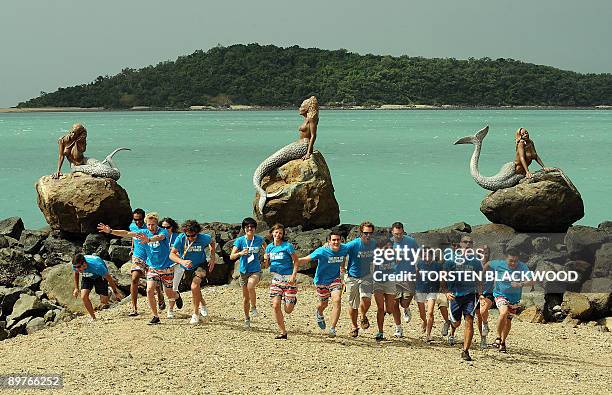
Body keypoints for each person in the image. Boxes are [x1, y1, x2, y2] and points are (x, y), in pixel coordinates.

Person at [98, 212, 183, 325]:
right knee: (149, 290)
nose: (150, 227)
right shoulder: (143, 232)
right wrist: (111, 231)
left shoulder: (163, 232)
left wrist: (148, 240)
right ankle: (155, 316)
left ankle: (176, 296)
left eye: (153, 224)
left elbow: (159, 237)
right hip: (152, 267)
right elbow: (127, 233)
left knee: (169, 293)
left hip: (166, 267)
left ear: (157, 224)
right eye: (148, 224)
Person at [298, 230, 349, 337]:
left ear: (341, 240)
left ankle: (332, 328)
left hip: (335, 279)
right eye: (333, 240)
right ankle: (319, 312)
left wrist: (342, 270)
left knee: (337, 300)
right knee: (323, 304)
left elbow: (344, 256)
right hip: (321, 281)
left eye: (338, 240)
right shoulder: (321, 251)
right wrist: (293, 260)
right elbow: (306, 259)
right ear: (329, 241)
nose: (336, 242)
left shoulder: (344, 248)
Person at [441, 235, 483, 361]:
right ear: (460, 244)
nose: (468, 244)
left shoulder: (476, 262)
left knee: (469, 320)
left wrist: (480, 295)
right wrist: (446, 292)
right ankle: (451, 324)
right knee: (456, 323)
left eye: (470, 242)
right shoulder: (451, 260)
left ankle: (465, 351)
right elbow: (442, 278)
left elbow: (479, 280)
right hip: (455, 296)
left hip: (470, 295)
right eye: (465, 242)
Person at [169, 219, 215, 325]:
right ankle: (202, 303)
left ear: (197, 233)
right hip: (187, 267)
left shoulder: (204, 238)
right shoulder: (181, 239)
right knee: (196, 289)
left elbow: (212, 242)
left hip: (201, 265)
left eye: (193, 235)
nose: (190, 238)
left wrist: (212, 258)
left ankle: (195, 314)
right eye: (188, 235)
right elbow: (172, 254)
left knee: (194, 286)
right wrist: (182, 261)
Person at [490, 248, 534, 353]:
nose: (513, 263)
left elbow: (532, 280)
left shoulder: (522, 266)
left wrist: (520, 284)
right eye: (511, 260)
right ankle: (498, 338)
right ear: (506, 258)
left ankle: (503, 342)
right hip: (500, 295)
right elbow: (487, 264)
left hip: (514, 299)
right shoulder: (498, 264)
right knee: (503, 313)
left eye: (515, 261)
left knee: (508, 320)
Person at [230, 217, 267, 328]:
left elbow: (267, 248)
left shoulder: (259, 239)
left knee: (251, 286)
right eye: (247, 227)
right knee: (245, 298)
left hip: (255, 270)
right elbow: (232, 256)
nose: (250, 228)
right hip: (243, 272)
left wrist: (266, 257)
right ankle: (247, 318)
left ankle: (254, 307)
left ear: (255, 228)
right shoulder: (240, 241)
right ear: (244, 228)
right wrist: (240, 253)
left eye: (252, 227)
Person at [127, 208, 165, 316]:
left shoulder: (150, 227)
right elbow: (133, 237)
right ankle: (134, 308)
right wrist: (132, 248)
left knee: (155, 282)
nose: (138, 222)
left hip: (151, 257)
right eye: (135, 220)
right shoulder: (132, 226)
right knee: (134, 278)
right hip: (138, 256)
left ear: (144, 219)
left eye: (139, 220)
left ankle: (160, 295)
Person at [264, 224, 299, 339]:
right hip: (276, 280)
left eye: (280, 233)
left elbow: (296, 261)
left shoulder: (287, 246)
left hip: (289, 280)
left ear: (283, 235)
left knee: (288, 310)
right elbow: (266, 265)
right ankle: (283, 332)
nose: (278, 235)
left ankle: (292, 300)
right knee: (275, 305)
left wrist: (293, 275)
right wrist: (265, 259)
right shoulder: (269, 247)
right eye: (276, 232)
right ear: (272, 233)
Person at [344, 221, 376, 337]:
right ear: (361, 232)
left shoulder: (373, 243)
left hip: (366, 275)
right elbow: (341, 251)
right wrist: (342, 267)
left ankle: (363, 316)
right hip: (352, 277)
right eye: (366, 233)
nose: (368, 235)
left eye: (370, 233)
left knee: (366, 299)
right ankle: (354, 326)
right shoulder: (353, 244)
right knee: (353, 305)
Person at [71, 253, 122, 321]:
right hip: (87, 276)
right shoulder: (76, 266)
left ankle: (108, 291)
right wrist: (76, 288)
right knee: (84, 296)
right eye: (75, 267)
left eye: (78, 267)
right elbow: (76, 274)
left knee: (104, 302)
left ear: (84, 263)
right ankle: (94, 318)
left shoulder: (97, 266)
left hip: (99, 276)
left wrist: (115, 292)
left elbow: (109, 278)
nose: (77, 269)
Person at [390, 222, 418, 326]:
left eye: (400, 233)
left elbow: (418, 254)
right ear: (392, 232)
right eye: (396, 234)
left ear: (403, 231)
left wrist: (417, 266)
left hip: (408, 276)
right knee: (394, 303)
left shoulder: (411, 241)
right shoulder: (388, 243)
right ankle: (398, 327)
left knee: (404, 302)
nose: (398, 236)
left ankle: (406, 308)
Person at [372, 238, 400, 341]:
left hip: (390, 282)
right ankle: (380, 332)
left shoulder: (395, 254)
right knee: (380, 308)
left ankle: (388, 307)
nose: (388, 249)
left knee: (389, 310)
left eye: (390, 247)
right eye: (386, 247)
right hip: (378, 282)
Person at [415, 247, 443, 342]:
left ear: (432, 256)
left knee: (430, 312)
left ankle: (428, 334)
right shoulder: (420, 263)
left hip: (432, 289)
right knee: (422, 314)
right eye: (424, 255)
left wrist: (442, 287)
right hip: (420, 289)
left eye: (428, 255)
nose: (426, 257)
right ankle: (424, 321)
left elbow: (442, 277)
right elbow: (417, 274)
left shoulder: (437, 266)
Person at [477, 245, 494, 349]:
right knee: (479, 316)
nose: (484, 255)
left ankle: (486, 323)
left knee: (483, 311)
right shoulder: (475, 265)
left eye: (486, 253)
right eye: (482, 253)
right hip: (477, 293)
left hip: (489, 293)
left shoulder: (493, 266)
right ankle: (483, 339)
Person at [298, 96, 319, 160]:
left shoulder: (311, 118)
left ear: (307, 108)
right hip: (300, 144)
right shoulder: (306, 119)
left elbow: (313, 135)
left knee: (276, 157)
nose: (299, 109)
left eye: (301, 107)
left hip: (304, 146)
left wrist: (308, 153)